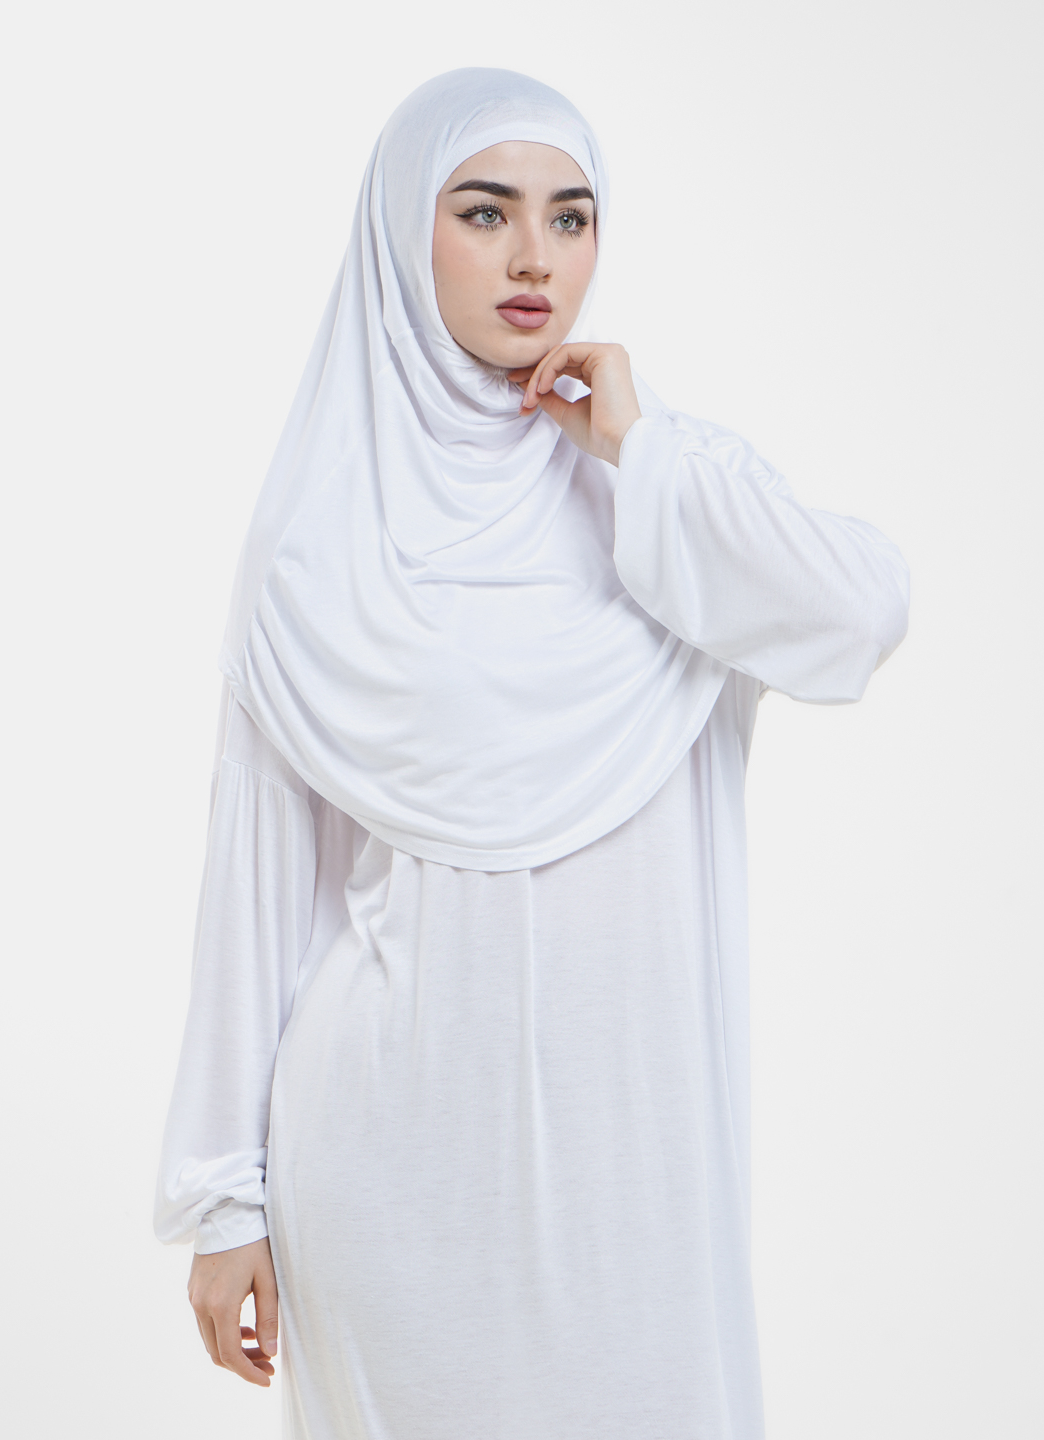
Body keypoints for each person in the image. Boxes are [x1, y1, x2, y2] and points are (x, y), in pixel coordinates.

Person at [155, 67, 909, 1440]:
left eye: (571, 217)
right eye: (485, 211)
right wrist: (223, 1202)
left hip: (639, 1166)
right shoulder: (315, 540)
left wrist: (640, 448)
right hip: (392, 1164)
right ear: (404, 234)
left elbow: (859, 618)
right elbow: (252, 884)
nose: (533, 259)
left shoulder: (665, 483)